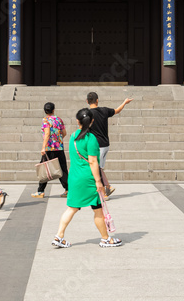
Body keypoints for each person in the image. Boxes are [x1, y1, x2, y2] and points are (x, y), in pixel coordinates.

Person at [51, 108, 122, 248]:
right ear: (92, 121)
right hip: (88, 179)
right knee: (97, 209)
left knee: (72, 208)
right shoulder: (91, 138)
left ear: (77, 121)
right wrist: (98, 181)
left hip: (74, 177)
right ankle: (105, 239)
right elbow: (93, 161)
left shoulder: (73, 136)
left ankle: (59, 236)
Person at [86, 91, 132, 197]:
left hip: (96, 145)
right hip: (105, 144)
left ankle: (104, 192)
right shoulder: (104, 110)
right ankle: (107, 187)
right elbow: (117, 110)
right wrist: (124, 102)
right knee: (99, 167)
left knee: (97, 168)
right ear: (97, 100)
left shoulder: (87, 114)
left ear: (87, 101)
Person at [32, 102, 69, 199]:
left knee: (44, 168)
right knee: (62, 169)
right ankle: (68, 189)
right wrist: (58, 140)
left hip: (49, 148)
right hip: (59, 147)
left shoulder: (45, 120)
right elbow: (64, 133)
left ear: (45, 111)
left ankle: (40, 191)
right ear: (53, 110)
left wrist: (43, 147)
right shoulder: (58, 119)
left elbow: (47, 133)